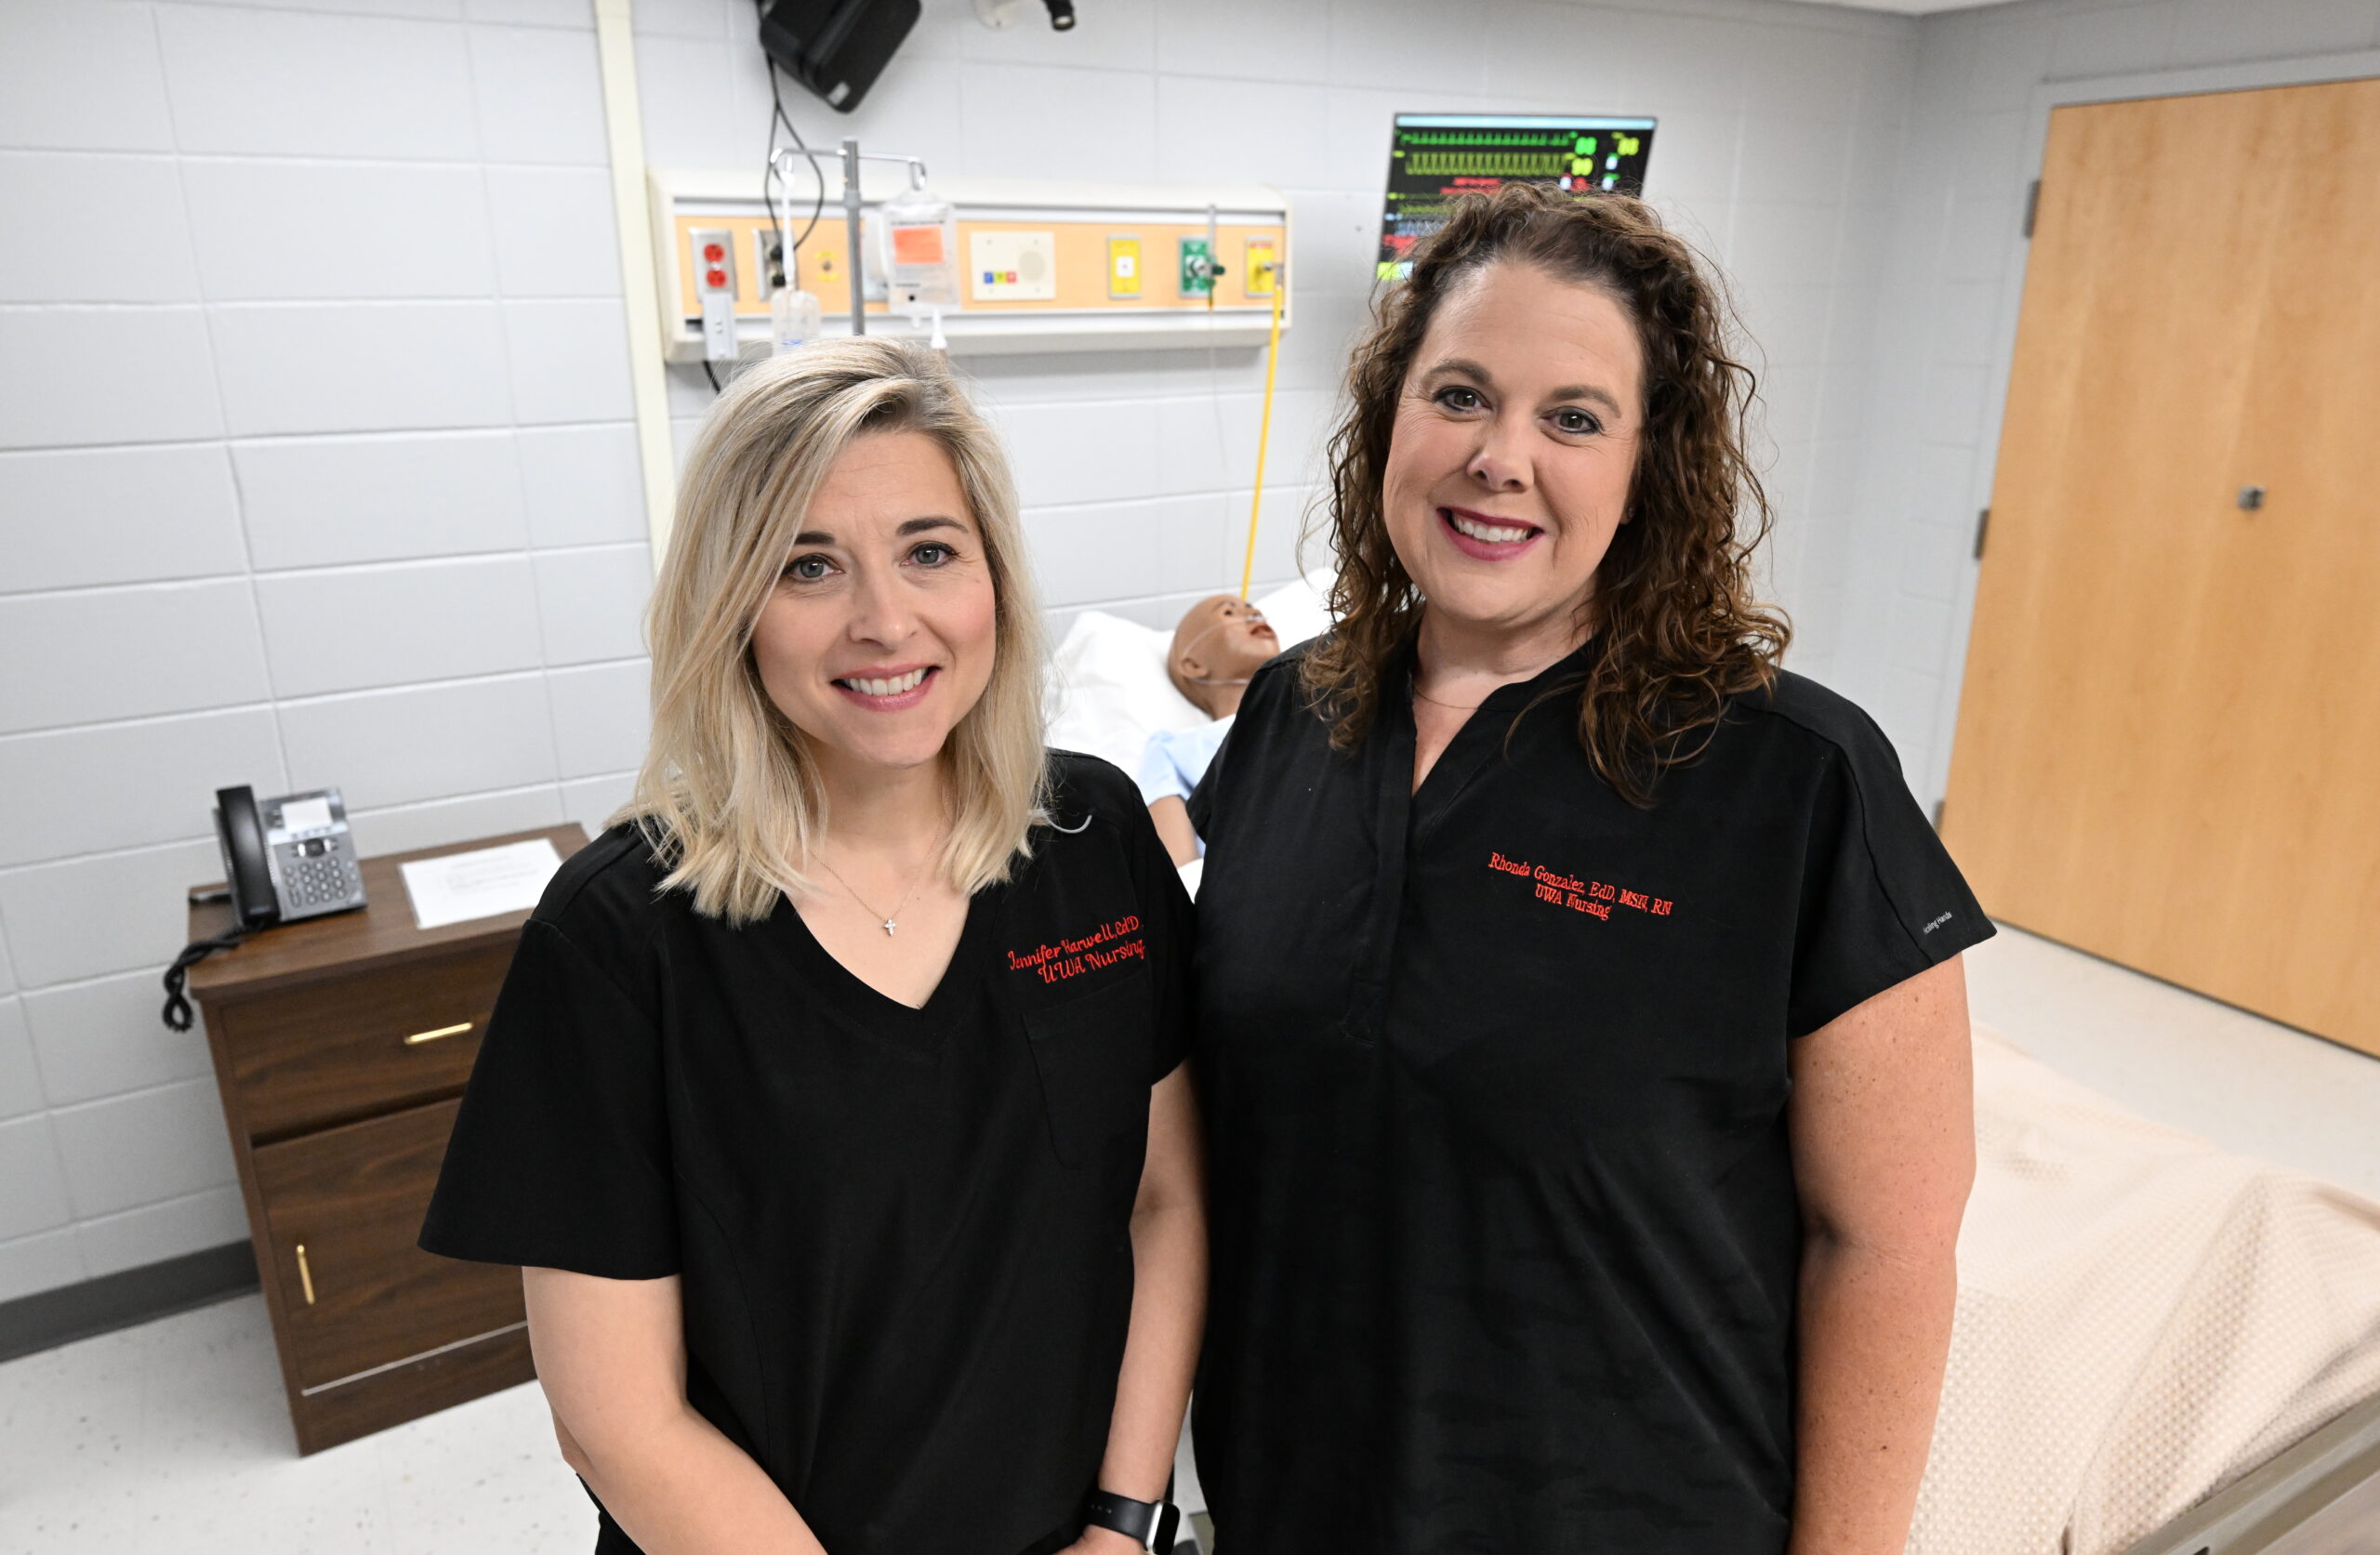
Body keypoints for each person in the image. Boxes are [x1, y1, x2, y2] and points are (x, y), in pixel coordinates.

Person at [1186, 182, 1986, 1555]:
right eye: (1458, 393)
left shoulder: (1790, 780)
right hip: (1291, 1489)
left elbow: (1889, 1245)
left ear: (1647, 468)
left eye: (1573, 416)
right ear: (1390, 417)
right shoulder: (1289, 717)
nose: (1501, 457)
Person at [420, 340, 1205, 1555]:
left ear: (992, 574)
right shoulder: (623, 936)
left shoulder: (1093, 837)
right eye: (808, 564)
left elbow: (1165, 1199)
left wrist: (1121, 1520)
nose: (885, 620)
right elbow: (618, 1422)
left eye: (930, 551)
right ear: (731, 602)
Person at [1138, 595, 1276, 866]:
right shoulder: (1171, 751)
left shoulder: (1325, 708)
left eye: (1255, 610)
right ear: (1193, 665)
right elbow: (1181, 871)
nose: (1254, 615)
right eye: (1228, 612)